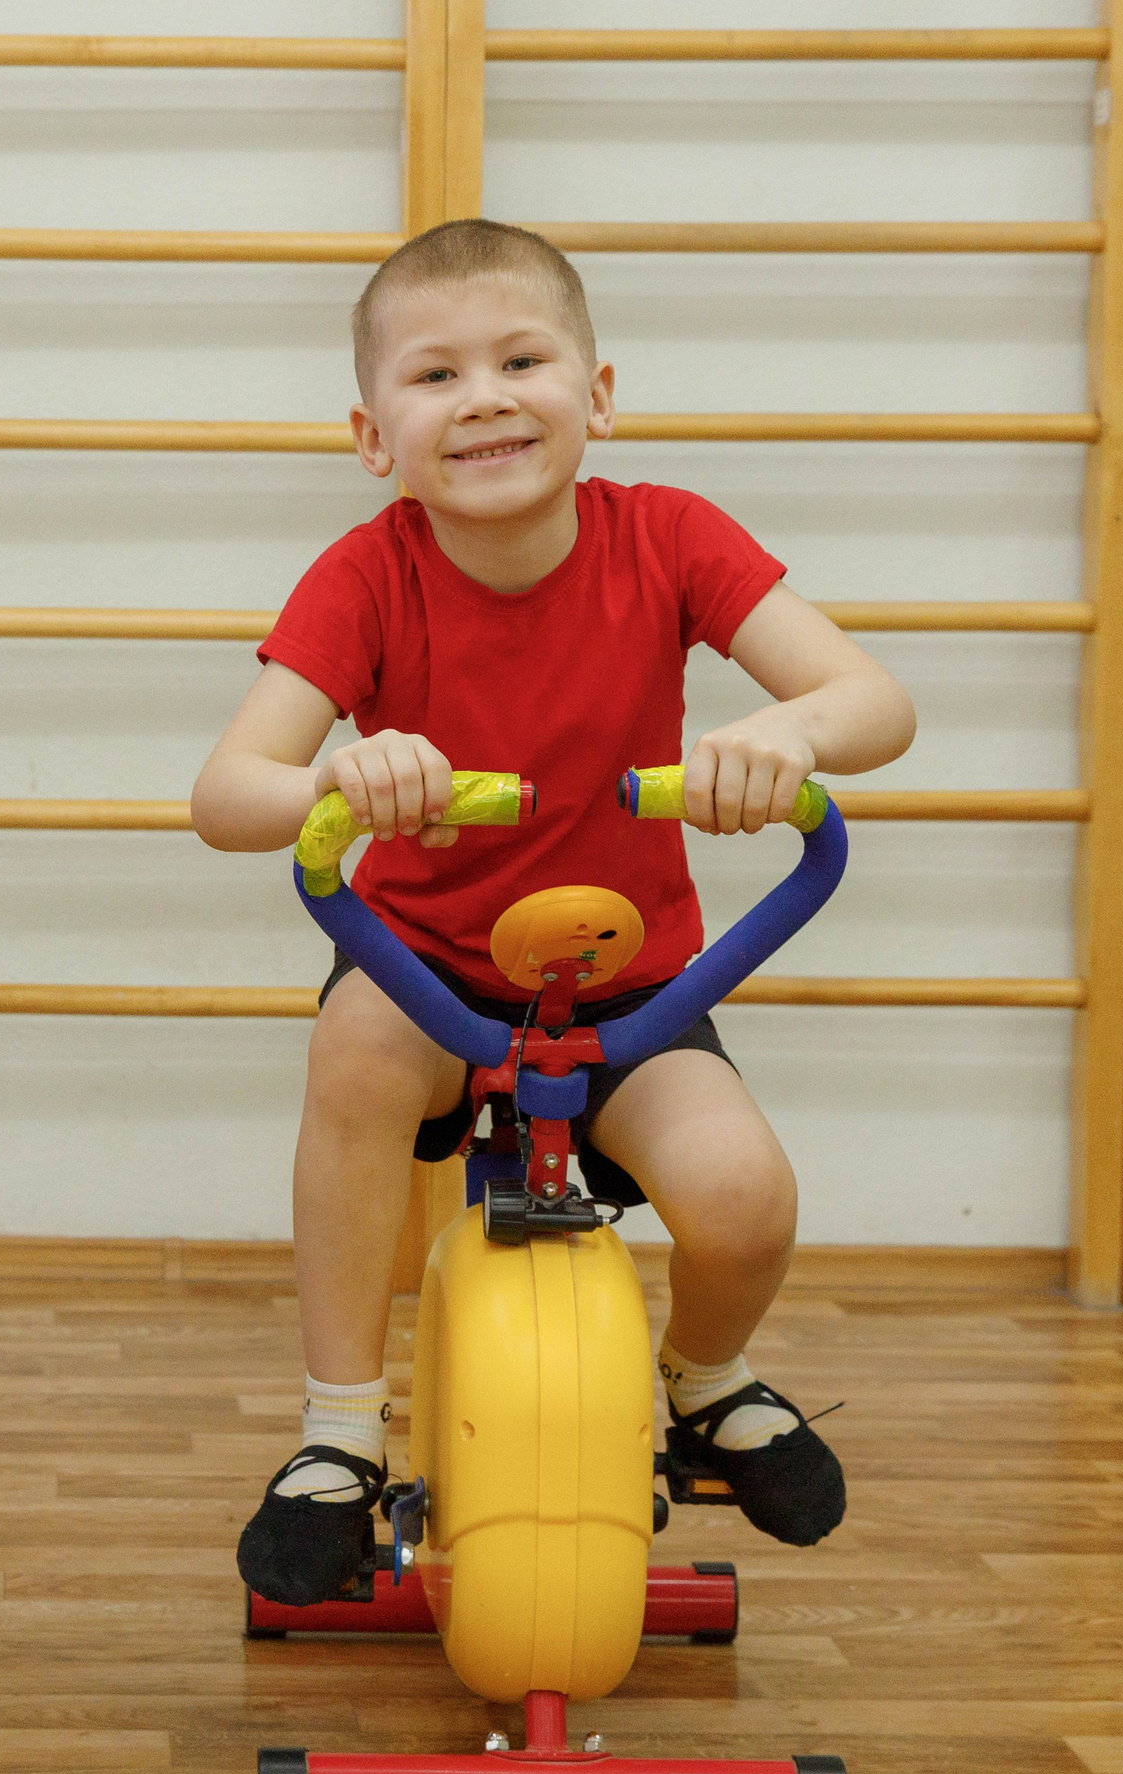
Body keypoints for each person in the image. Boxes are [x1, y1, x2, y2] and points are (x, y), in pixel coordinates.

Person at [192, 219, 916, 1607]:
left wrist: (788, 739)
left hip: (631, 995)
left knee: (744, 1200)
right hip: (423, 983)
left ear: (598, 394)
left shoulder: (671, 537)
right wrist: (341, 774)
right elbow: (228, 793)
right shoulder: (368, 574)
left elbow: (877, 702)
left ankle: (705, 1377)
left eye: (523, 358)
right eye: (435, 375)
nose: (483, 397)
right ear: (371, 434)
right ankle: (337, 1431)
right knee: (348, 1058)